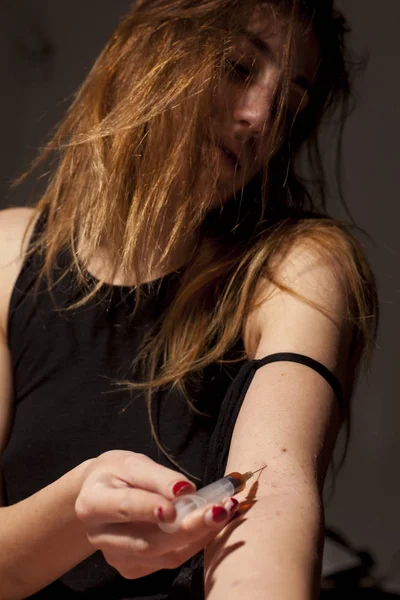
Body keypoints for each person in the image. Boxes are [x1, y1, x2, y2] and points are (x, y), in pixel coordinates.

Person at [0, 0, 377, 598]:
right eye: (236, 66)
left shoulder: (293, 266)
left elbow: (274, 491)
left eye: (289, 105)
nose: (259, 117)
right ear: (148, 46)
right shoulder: (9, 252)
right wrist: (77, 507)